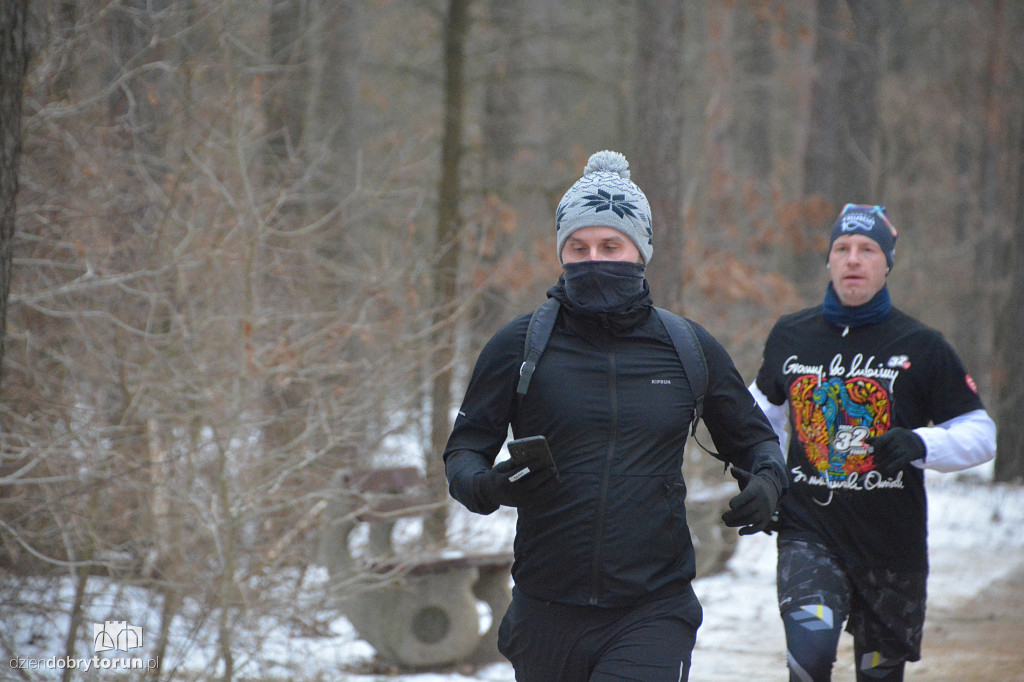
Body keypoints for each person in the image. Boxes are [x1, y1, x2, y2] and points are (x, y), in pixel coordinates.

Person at [443, 150, 787, 682]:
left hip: (653, 607)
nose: (594, 260)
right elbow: (463, 451)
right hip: (545, 608)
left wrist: (767, 482)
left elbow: (757, 441)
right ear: (561, 253)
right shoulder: (520, 345)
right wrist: (486, 487)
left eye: (611, 246)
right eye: (578, 248)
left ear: (641, 250)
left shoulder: (687, 347)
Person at [748, 204, 997, 682]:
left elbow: (980, 433)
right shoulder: (791, 335)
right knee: (811, 656)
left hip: (891, 545)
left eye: (867, 249)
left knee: (879, 675)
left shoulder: (921, 345)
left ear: (887, 263)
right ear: (829, 261)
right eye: (842, 249)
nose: (853, 259)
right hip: (810, 531)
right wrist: (764, 476)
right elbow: (758, 417)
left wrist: (922, 444)